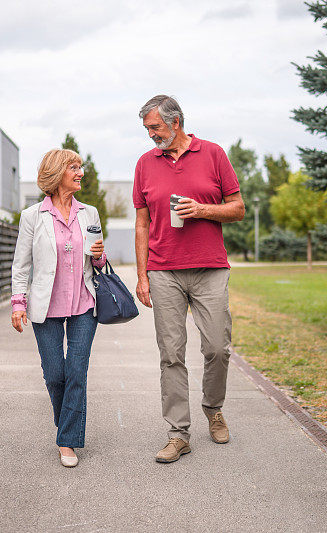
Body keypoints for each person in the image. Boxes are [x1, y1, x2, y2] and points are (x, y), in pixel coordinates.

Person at [133, 95, 245, 463]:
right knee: (171, 354)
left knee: (216, 347)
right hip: (164, 270)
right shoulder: (145, 164)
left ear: (176, 122)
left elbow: (238, 208)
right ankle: (178, 433)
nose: (150, 134)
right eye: (147, 128)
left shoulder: (213, 154)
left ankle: (213, 408)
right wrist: (142, 275)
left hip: (209, 268)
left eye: (155, 127)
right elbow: (142, 222)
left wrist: (202, 210)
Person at [11, 148, 106, 468]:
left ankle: (67, 441)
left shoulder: (89, 213)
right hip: (45, 306)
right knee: (55, 375)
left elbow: (98, 261)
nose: (81, 172)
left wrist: (99, 255)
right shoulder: (32, 217)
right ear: (57, 173)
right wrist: (17, 303)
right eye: (74, 167)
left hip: (84, 303)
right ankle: (67, 421)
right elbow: (21, 265)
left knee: (76, 372)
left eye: (81, 167)